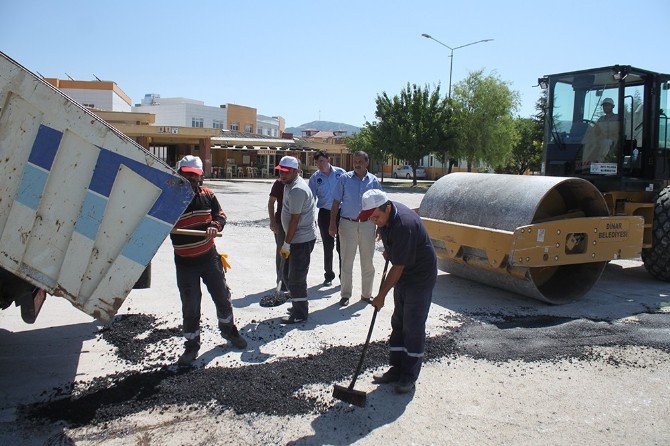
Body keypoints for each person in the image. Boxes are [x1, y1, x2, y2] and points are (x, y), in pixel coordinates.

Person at [170, 155, 247, 367]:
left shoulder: (208, 195)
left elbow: (221, 215)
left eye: (194, 175)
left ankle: (229, 332)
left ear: (200, 176)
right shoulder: (170, 199)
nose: (190, 179)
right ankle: (192, 345)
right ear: (179, 173)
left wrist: (215, 225)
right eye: (186, 175)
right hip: (185, 262)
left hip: (208, 257)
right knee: (191, 305)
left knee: (222, 297)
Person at [361, 189, 437, 394]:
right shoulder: (386, 217)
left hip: (419, 276)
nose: (374, 221)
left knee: (413, 325)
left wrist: (380, 296)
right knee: (399, 321)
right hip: (404, 272)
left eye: (376, 217)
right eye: (370, 218)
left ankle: (409, 375)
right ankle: (396, 368)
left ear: (387, 207)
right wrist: (389, 246)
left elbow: (397, 267)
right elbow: (390, 241)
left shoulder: (404, 224)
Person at [329, 151, 381, 307]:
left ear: (367, 162)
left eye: (360, 161)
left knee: (368, 262)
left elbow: (380, 205)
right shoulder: (344, 179)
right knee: (346, 261)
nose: (357, 164)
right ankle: (345, 295)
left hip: (368, 225)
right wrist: (332, 224)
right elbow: (336, 203)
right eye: (354, 162)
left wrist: (380, 227)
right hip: (347, 224)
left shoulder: (374, 181)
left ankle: (366, 295)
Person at [276, 156, 317, 324]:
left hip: (301, 240)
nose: (282, 175)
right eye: (280, 171)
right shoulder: (288, 184)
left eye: (286, 172)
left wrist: (286, 243)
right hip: (294, 239)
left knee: (296, 278)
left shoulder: (297, 190)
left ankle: (300, 313)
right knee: (286, 274)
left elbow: (294, 220)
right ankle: (297, 303)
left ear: (295, 171)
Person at [308, 150, 345, 287]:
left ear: (328, 160)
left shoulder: (340, 173)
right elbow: (311, 199)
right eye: (317, 162)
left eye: (322, 161)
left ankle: (344, 276)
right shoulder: (315, 178)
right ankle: (328, 275)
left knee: (342, 247)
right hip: (324, 214)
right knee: (327, 247)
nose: (319, 164)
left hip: (341, 213)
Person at [582, 97, 619, 164]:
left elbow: (619, 132)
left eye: (608, 105)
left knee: (606, 142)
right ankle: (584, 164)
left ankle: (600, 164)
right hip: (601, 141)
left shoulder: (618, 118)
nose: (605, 107)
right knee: (587, 143)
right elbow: (594, 131)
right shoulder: (601, 119)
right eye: (604, 105)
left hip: (614, 142)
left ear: (613, 106)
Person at [268, 178, 288, 293]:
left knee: (294, 253)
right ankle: (281, 281)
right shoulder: (279, 183)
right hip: (280, 224)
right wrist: (272, 222)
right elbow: (271, 202)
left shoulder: (299, 184)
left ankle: (290, 280)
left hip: (296, 224)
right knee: (282, 253)